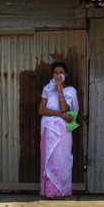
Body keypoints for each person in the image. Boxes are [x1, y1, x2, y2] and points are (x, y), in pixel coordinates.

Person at [38, 62, 79, 199]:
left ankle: (62, 191)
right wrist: (59, 115)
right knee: (48, 159)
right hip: (48, 128)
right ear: (52, 74)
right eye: (55, 73)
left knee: (63, 158)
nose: (58, 75)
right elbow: (41, 110)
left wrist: (60, 89)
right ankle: (49, 191)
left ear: (65, 74)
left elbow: (64, 108)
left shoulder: (71, 91)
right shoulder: (47, 89)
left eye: (61, 73)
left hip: (63, 130)